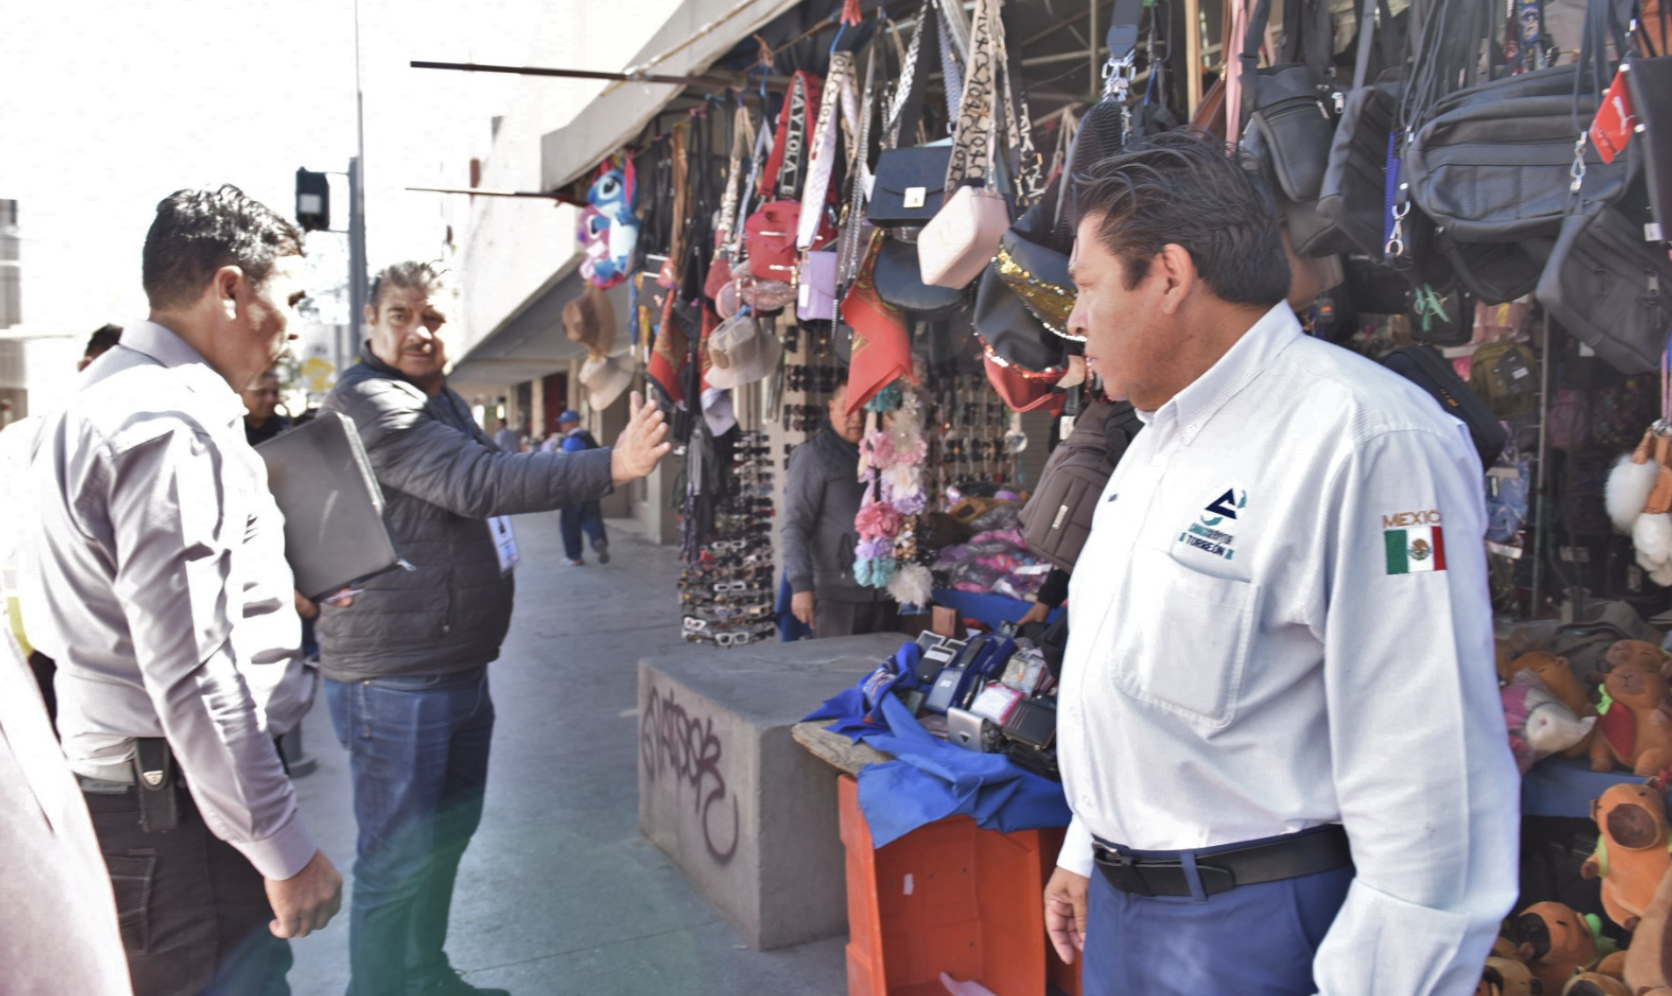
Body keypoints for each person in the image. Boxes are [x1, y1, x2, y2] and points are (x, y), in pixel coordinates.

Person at [1042, 131, 1518, 996]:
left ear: (1171, 277)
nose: (1073, 321)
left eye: (1085, 286)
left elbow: (1429, 764)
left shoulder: (1366, 439)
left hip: (1258, 928)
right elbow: (1129, 681)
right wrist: (1089, 845)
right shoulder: (1153, 440)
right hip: (1125, 914)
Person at [20, 185, 342, 996]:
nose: (295, 325)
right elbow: (194, 669)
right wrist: (282, 847)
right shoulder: (165, 425)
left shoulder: (101, 404)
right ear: (231, 288)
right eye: (289, 298)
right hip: (178, 825)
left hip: (154, 806)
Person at [316, 260, 669, 996]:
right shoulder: (373, 400)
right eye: (403, 315)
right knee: (396, 860)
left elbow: (478, 471)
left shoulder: (435, 399)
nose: (421, 331)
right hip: (397, 675)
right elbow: (476, 481)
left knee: (442, 842)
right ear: (371, 324)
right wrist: (613, 463)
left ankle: (426, 975)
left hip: (452, 662)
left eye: (434, 318)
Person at [2, 322, 124, 717]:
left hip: (113, 659)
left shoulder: (142, 451)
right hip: (40, 649)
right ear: (85, 366)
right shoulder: (24, 440)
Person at [782, 383, 898, 638]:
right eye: (848, 407)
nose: (856, 417)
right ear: (831, 407)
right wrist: (800, 585)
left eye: (863, 408)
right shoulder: (813, 455)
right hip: (837, 593)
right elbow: (795, 525)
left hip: (885, 589)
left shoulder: (881, 456)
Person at [553, 409, 609, 566]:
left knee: (569, 522)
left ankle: (574, 556)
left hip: (573, 487)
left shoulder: (573, 440)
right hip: (592, 486)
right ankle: (598, 539)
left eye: (565, 423)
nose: (562, 426)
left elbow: (563, 462)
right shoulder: (589, 438)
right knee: (591, 517)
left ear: (574, 423)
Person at [242, 367, 291, 445]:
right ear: (242, 394)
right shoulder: (228, 431)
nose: (271, 400)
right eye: (261, 393)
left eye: (275, 393)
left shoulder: (286, 429)